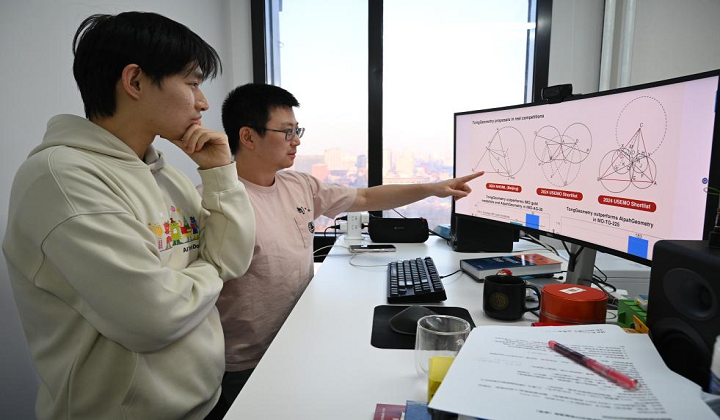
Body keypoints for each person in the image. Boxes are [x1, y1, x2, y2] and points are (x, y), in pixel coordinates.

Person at [2, 12, 255, 420]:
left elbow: (236, 258)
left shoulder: (164, 173)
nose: (204, 102)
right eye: (192, 83)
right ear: (135, 81)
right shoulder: (61, 179)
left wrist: (220, 173)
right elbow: (153, 318)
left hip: (205, 400)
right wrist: (212, 270)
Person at [212, 82, 483, 411]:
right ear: (248, 137)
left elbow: (365, 198)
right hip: (250, 361)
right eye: (286, 132)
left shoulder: (298, 185)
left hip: (300, 334)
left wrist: (433, 188)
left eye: (297, 130)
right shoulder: (215, 202)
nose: (296, 141)